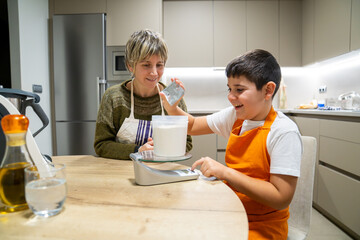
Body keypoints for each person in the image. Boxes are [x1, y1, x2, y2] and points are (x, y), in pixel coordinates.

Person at [160, 49, 302, 239]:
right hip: (230, 211)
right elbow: (193, 125)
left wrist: (225, 172)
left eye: (239, 90)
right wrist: (172, 108)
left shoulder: (283, 132)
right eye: (230, 89)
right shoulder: (234, 116)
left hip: (262, 226)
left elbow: (280, 198)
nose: (230, 96)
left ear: (268, 90)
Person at [94, 29, 192, 159]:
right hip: (121, 172)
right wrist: (137, 150)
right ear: (130, 65)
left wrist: (162, 148)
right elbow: (101, 145)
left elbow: (187, 142)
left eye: (159, 65)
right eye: (146, 65)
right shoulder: (114, 97)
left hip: (163, 171)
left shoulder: (172, 96)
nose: (154, 73)